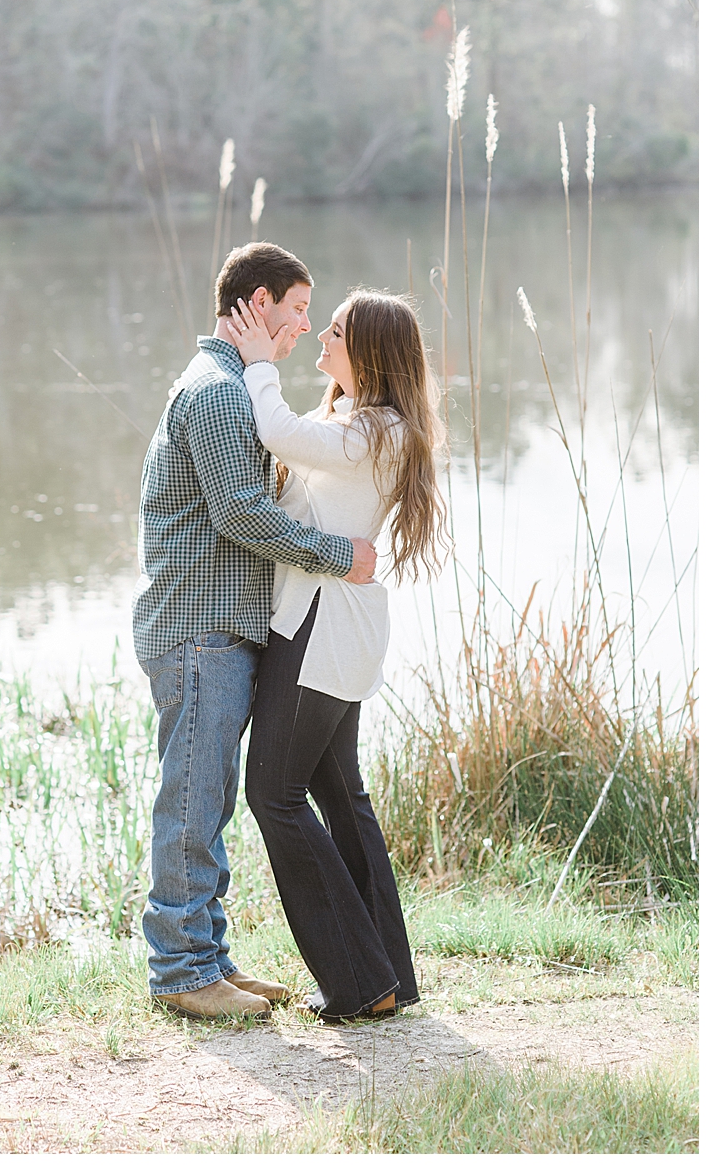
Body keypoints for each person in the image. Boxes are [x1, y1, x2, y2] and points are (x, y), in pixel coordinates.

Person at [131, 242, 378, 1020]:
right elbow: (242, 514)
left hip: (220, 630)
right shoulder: (216, 394)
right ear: (259, 303)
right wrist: (341, 556)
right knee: (194, 801)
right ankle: (181, 970)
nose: (306, 326)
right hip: (200, 629)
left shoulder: (237, 389)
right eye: (299, 309)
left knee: (214, 799)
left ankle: (210, 959)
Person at [225, 287, 447, 1021]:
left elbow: (279, 429)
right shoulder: (359, 425)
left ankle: (360, 979)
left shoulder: (375, 431)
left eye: (339, 329)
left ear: (372, 354)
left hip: (322, 633)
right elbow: (291, 476)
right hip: (327, 627)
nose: (323, 333)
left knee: (275, 794)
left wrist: (260, 361)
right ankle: (387, 974)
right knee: (339, 795)